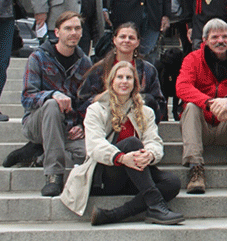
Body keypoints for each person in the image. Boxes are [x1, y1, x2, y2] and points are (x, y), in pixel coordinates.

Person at [60, 61, 183, 226]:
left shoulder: (146, 112)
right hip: (106, 174)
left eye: (129, 78)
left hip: (135, 174)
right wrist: (122, 158)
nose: (124, 81)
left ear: (135, 83)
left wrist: (150, 154)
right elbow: (94, 145)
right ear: (111, 82)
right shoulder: (96, 109)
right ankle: (155, 205)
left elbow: (153, 141)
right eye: (119, 77)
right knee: (132, 143)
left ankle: (113, 215)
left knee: (172, 182)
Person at [176, 18, 227, 194]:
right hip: (201, 127)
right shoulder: (192, 59)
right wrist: (208, 104)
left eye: (224, 37)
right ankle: (195, 168)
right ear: (205, 40)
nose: (220, 41)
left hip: (226, 126)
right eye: (214, 37)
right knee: (190, 107)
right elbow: (182, 87)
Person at [19, 12, 92, 196]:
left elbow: (87, 101)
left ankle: (38, 154)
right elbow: (27, 96)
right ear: (57, 32)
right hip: (37, 122)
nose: (73, 33)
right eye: (68, 28)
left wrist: (81, 124)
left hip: (67, 128)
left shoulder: (85, 63)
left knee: (88, 154)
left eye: (77, 28)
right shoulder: (38, 58)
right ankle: (53, 176)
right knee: (52, 105)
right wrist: (52, 95)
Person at [78, 22, 166, 123]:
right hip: (106, 120)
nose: (126, 40)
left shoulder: (148, 70)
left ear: (137, 42)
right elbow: (83, 101)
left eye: (131, 38)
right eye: (122, 37)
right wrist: (106, 96)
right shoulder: (100, 69)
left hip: (137, 121)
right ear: (114, 40)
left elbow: (159, 103)